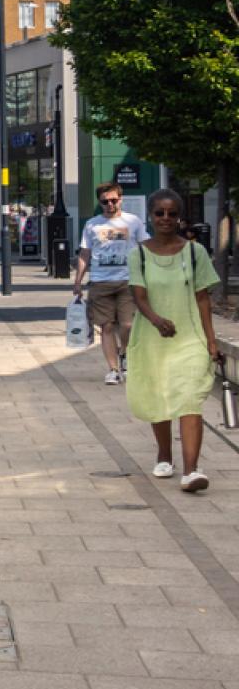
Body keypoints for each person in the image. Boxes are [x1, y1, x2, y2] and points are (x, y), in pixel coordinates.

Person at [126, 189, 221, 492]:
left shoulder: (195, 253)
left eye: (171, 213)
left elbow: (203, 298)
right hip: (152, 339)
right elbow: (138, 296)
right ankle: (164, 454)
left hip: (189, 338)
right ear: (151, 217)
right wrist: (156, 320)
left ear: (180, 217)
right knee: (160, 397)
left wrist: (211, 340)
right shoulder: (138, 254)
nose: (165, 219)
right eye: (159, 213)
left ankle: (192, 470)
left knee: (189, 397)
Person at [72, 183, 147, 386]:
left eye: (114, 200)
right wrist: (78, 281)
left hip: (128, 281)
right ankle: (113, 370)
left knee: (128, 325)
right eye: (105, 201)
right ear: (100, 202)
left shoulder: (133, 221)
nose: (110, 204)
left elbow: (145, 247)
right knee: (106, 326)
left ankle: (124, 354)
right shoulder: (92, 225)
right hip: (100, 281)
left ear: (120, 199)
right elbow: (85, 254)